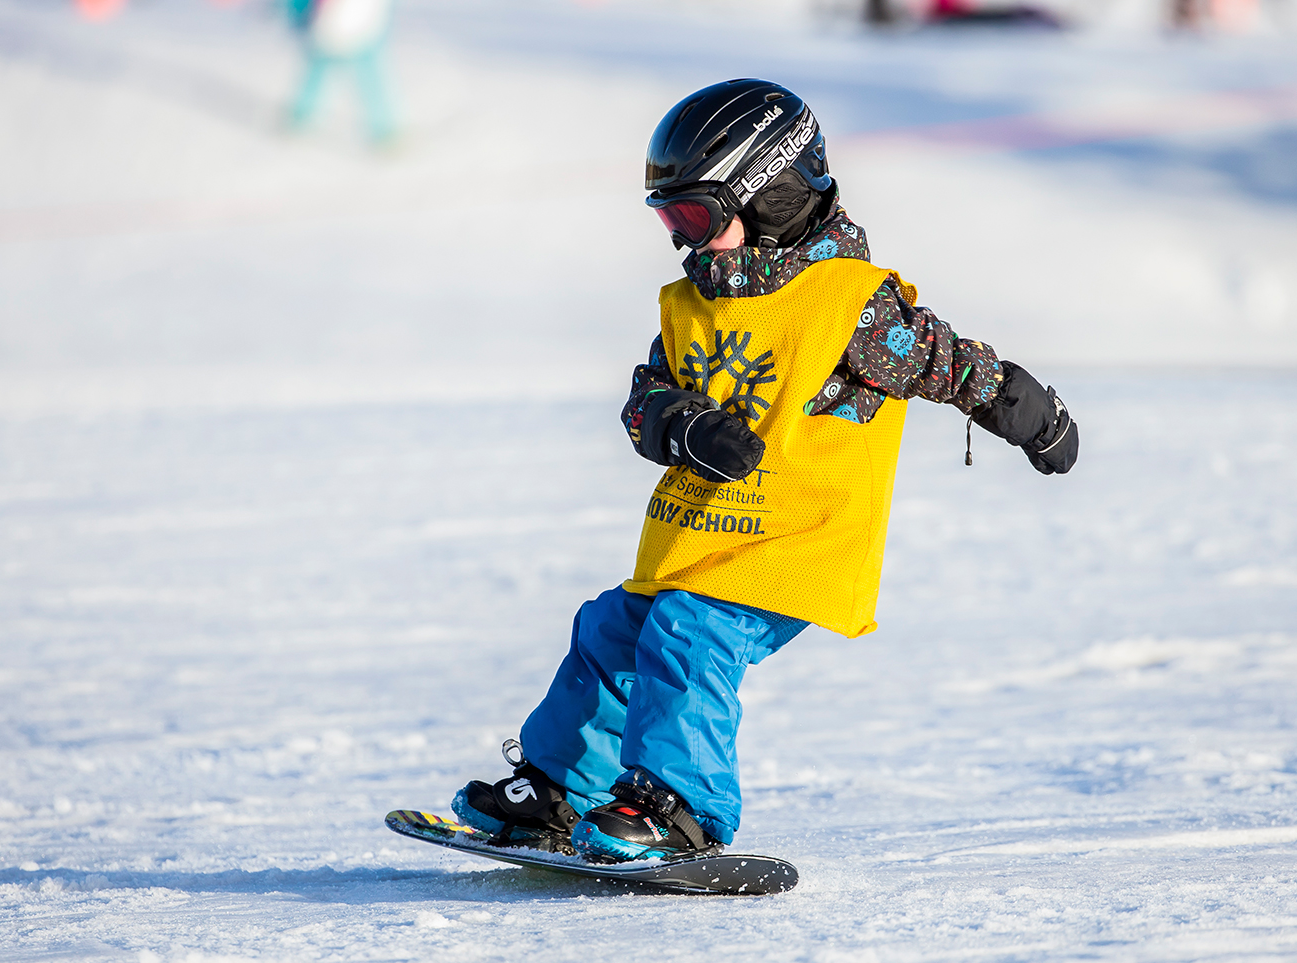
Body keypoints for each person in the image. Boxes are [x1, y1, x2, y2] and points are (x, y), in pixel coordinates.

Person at [448, 79, 1079, 862]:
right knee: (613, 629)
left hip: (793, 545)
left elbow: (948, 365)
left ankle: (679, 806)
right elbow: (645, 399)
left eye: (699, 217)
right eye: (670, 221)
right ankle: (558, 785)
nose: (688, 242)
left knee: (691, 631)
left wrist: (1029, 410)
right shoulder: (696, 301)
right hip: (702, 539)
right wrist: (682, 425)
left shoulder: (848, 305)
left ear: (772, 193)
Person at [286, 0, 396, 147]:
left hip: (349, 20)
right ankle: (302, 115)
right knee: (322, 66)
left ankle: (385, 128)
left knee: (364, 70)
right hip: (344, 21)